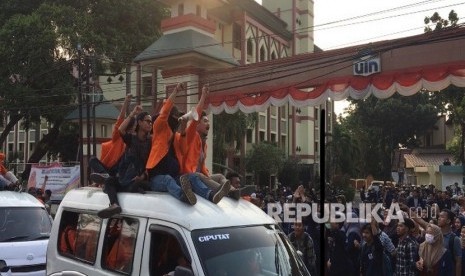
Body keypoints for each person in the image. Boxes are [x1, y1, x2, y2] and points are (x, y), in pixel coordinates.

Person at [147, 83, 226, 205]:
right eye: (176, 116)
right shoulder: (160, 130)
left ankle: (210, 195)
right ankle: (183, 196)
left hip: (175, 177)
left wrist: (203, 96)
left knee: (192, 177)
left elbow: (193, 125)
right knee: (167, 180)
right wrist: (176, 91)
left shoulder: (177, 137)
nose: (178, 118)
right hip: (156, 179)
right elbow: (165, 112)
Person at [96, 104, 152, 218]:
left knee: (111, 183)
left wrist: (142, 177)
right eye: (147, 121)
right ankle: (114, 205)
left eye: (151, 122)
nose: (150, 124)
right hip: (125, 179)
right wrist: (132, 114)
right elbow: (121, 129)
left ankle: (105, 180)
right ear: (139, 122)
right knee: (109, 182)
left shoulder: (151, 141)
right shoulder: (132, 139)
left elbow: (152, 163)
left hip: (139, 180)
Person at [178, 84, 231, 200]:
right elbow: (197, 112)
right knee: (200, 176)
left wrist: (209, 177)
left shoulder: (204, 144)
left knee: (220, 176)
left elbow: (202, 167)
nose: (208, 124)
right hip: (188, 177)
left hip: (200, 177)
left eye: (208, 121)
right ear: (197, 125)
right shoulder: (191, 135)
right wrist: (203, 96)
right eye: (205, 121)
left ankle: (231, 191)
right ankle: (221, 191)